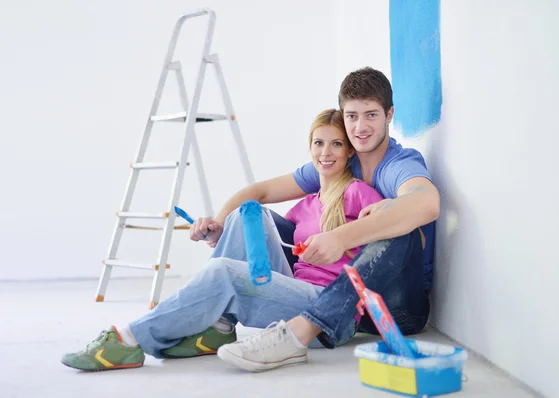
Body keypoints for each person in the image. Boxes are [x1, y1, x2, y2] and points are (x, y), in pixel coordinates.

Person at [61, 108, 384, 371]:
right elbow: (261, 235)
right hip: (295, 292)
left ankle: (129, 340)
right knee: (247, 213)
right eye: (319, 143)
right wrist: (219, 226)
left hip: (325, 314)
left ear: (349, 151)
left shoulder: (358, 193)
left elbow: (388, 240)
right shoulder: (306, 206)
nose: (326, 153)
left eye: (337, 144)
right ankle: (219, 326)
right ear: (309, 148)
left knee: (224, 272)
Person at [215, 66, 439, 372]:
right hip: (346, 298)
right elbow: (262, 191)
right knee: (255, 215)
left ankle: (299, 333)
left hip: (396, 306)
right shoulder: (342, 161)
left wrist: (343, 236)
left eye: (371, 115)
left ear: (389, 116)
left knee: (398, 226)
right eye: (352, 116)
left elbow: (426, 202)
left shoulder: (399, 163)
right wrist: (218, 223)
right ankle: (217, 322)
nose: (361, 126)